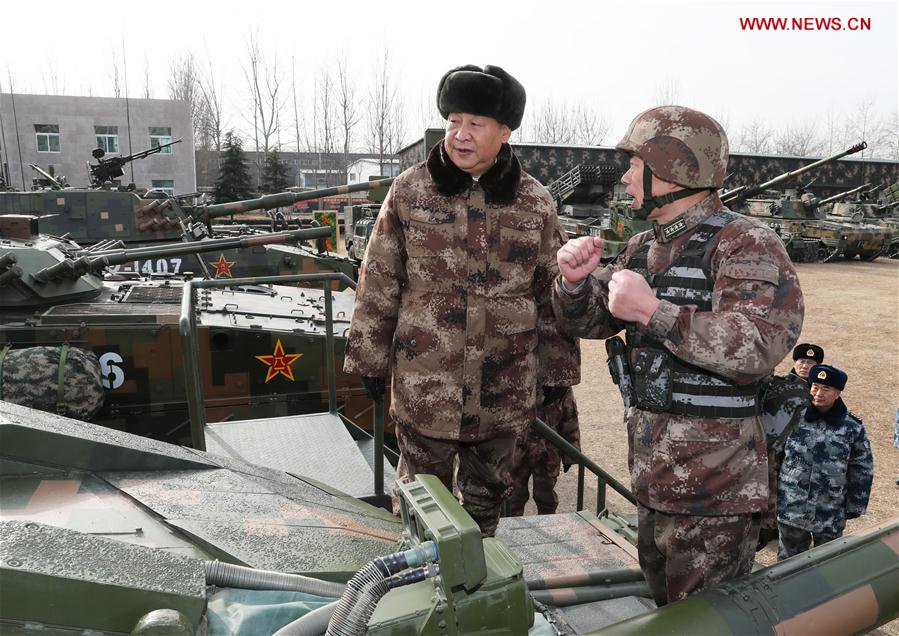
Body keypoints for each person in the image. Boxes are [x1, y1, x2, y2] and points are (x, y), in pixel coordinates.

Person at [552, 106, 804, 605]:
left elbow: (759, 343)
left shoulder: (744, 243)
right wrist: (574, 284)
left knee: (706, 621)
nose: (624, 178)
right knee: (664, 610)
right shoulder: (645, 247)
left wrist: (655, 312)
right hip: (653, 477)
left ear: (673, 169)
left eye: (634, 164)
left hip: (715, 491)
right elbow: (590, 321)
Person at [343, 64, 580, 537]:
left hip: (503, 393)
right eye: (454, 121)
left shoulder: (535, 202)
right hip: (427, 388)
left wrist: (556, 375)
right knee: (418, 512)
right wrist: (368, 359)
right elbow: (380, 278)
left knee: (488, 513)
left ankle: (481, 603)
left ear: (505, 131)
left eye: (475, 123)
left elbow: (549, 290)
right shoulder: (410, 190)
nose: (460, 134)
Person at [777, 364, 873, 560]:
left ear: (838, 393)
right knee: (786, 568)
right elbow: (775, 457)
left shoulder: (852, 427)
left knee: (829, 564)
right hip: (792, 507)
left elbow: (862, 467)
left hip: (829, 511)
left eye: (825, 388)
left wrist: (855, 505)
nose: (818, 393)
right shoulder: (794, 416)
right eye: (815, 387)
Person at [757, 342, 823, 549]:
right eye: (802, 361)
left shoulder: (819, 392)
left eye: (811, 363)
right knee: (768, 485)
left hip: (798, 450)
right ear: (795, 362)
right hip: (773, 445)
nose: (805, 366)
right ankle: (765, 529)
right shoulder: (779, 384)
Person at [508, 386, 580, 516]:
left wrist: (571, 454)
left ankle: (547, 525)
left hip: (548, 451)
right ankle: (510, 530)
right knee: (513, 496)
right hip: (518, 449)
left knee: (546, 497)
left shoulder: (560, 386)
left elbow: (569, 418)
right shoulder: (517, 376)